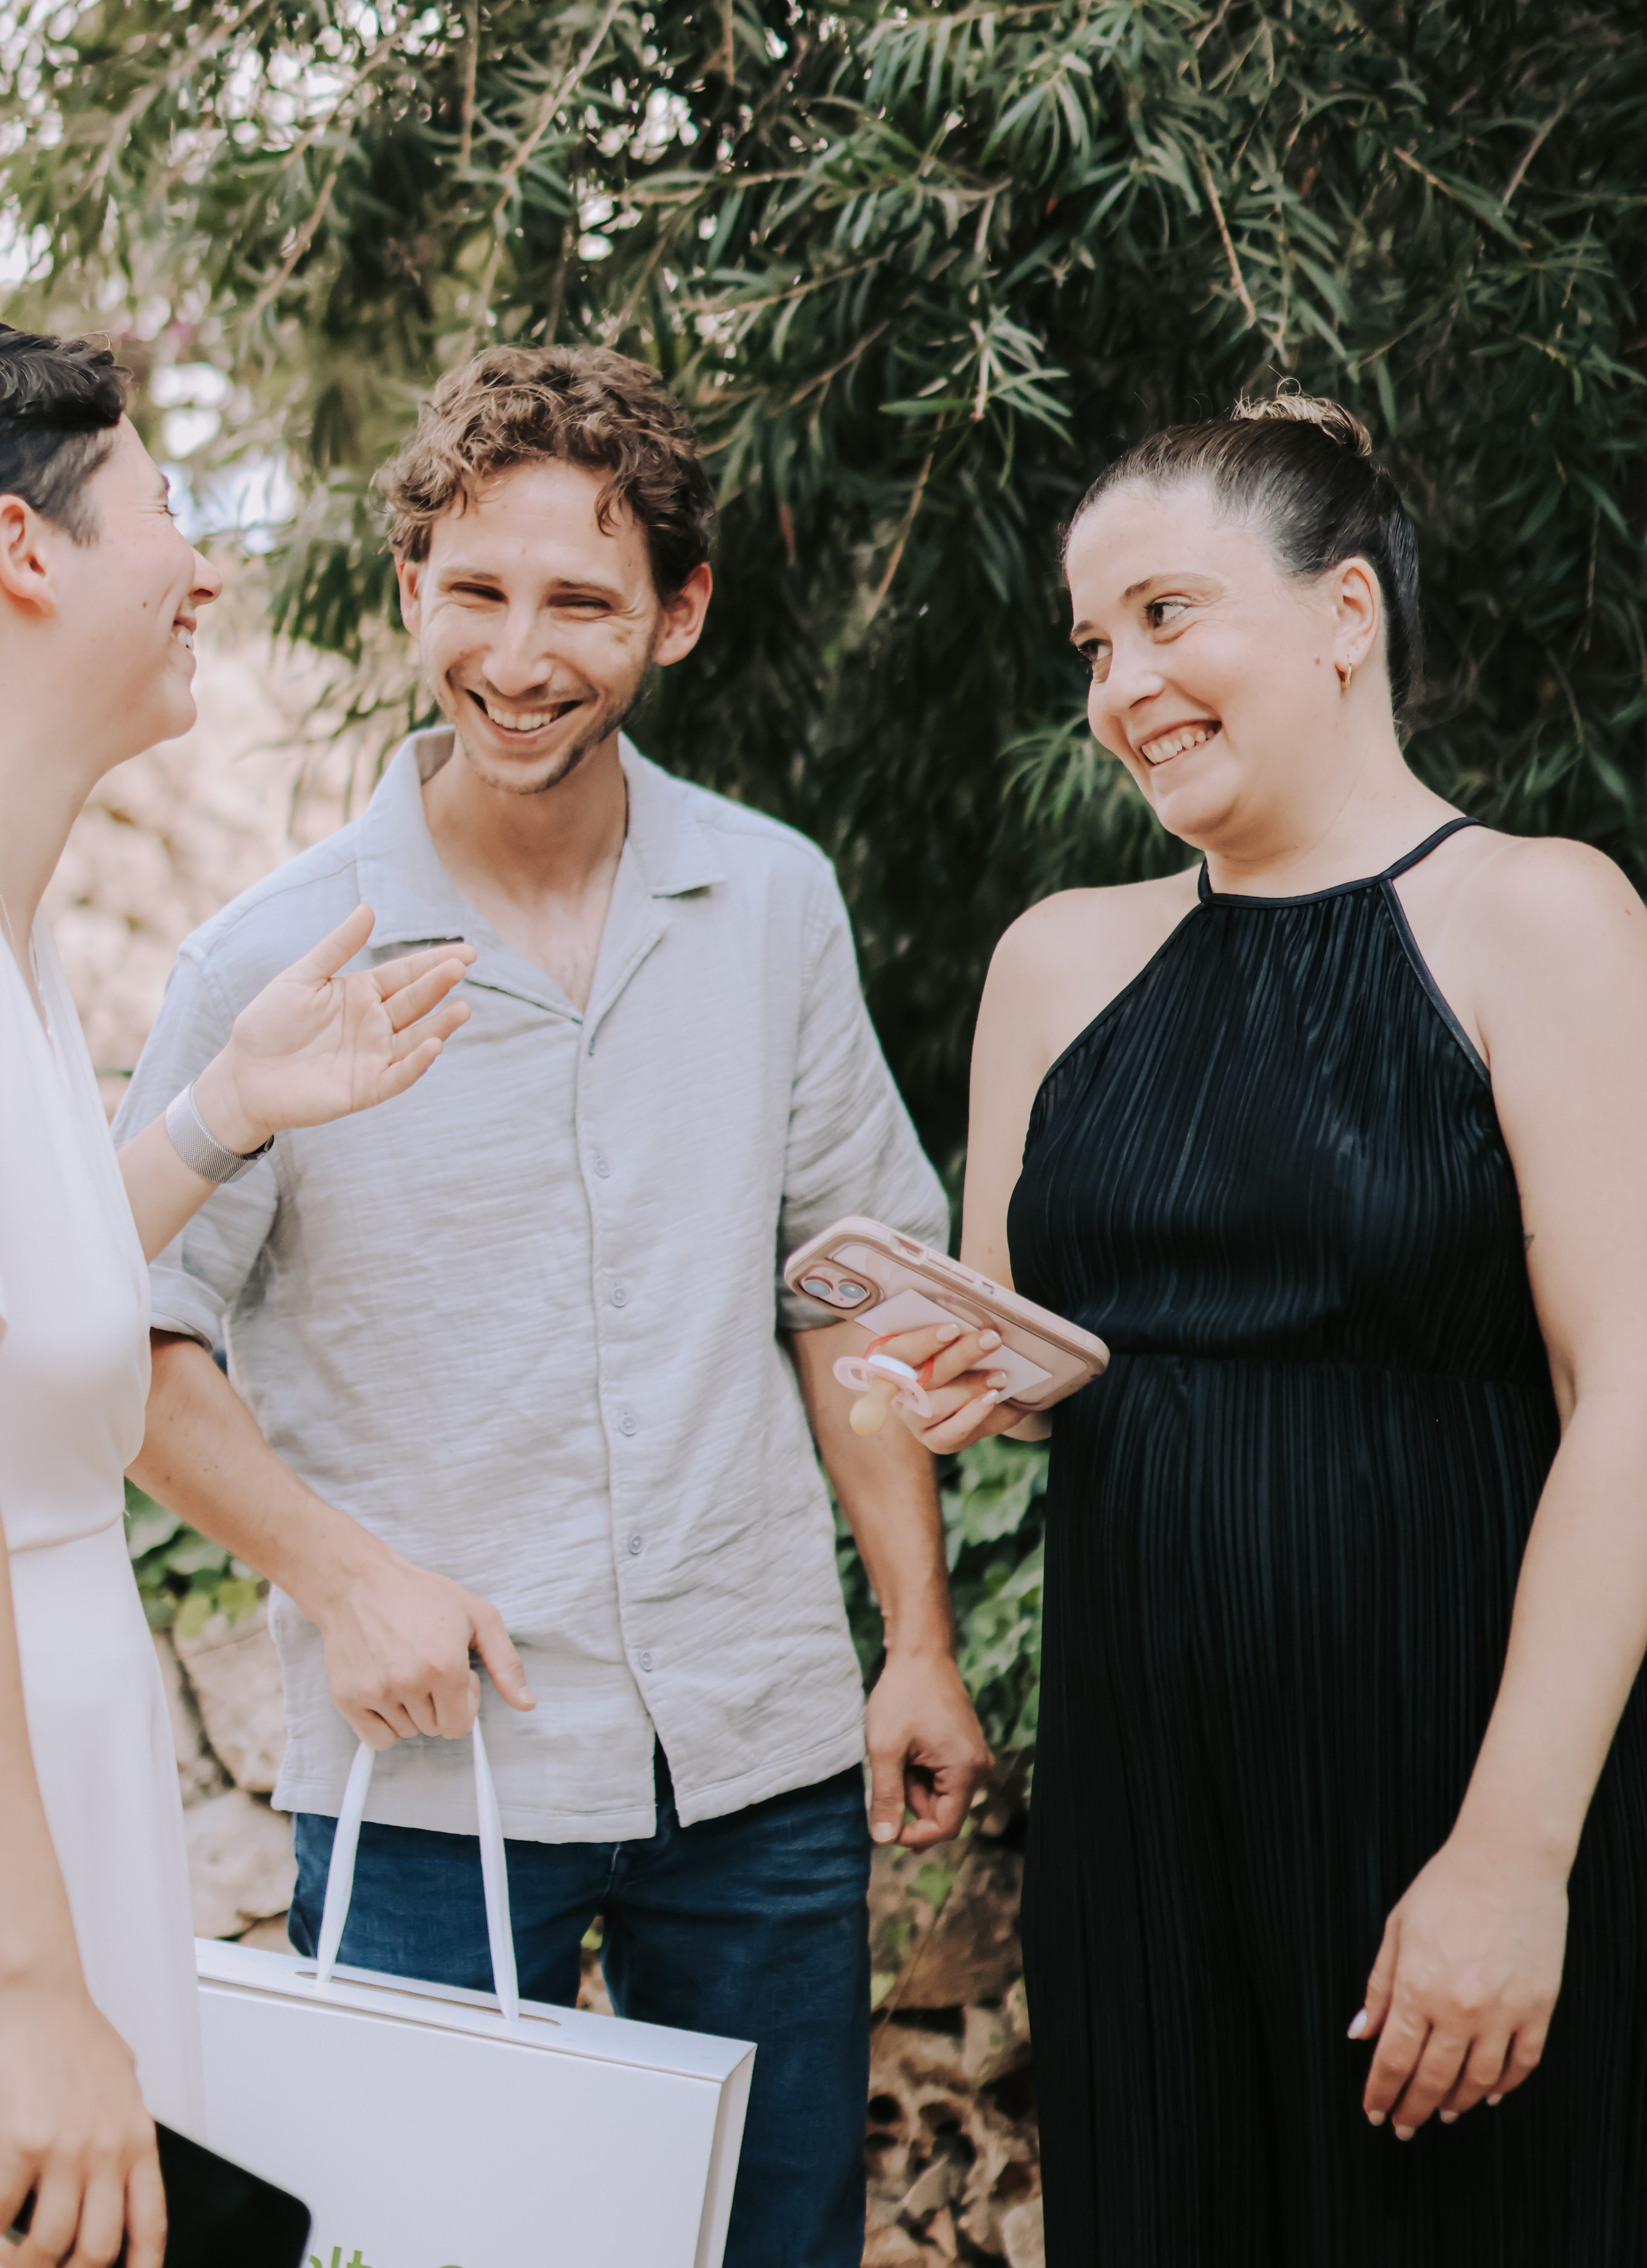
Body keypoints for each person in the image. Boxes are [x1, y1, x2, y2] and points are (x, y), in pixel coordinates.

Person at [116, 344, 991, 2268]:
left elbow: (847, 1301)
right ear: (410, 586)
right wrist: (342, 1578)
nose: (521, 653)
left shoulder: (772, 904)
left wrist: (915, 1632)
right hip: (435, 1778)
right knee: (420, 2249)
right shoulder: (270, 961)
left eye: (584, 601)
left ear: (676, 615)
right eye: (480, 591)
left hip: (756, 1760)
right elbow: (131, 1344)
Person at [872, 396, 1647, 2262]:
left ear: (1345, 614)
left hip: (1452, 1781)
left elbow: (1630, 1392)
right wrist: (975, 1380)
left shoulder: (1541, 915)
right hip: (1148, 1809)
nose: (1121, 682)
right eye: (1092, 643)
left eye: (1165, 613)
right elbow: (1049, 1356)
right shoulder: (1054, 959)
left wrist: (1516, 1852)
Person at [0, 325, 473, 2268]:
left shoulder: (18, 946)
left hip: (63, 1750)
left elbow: (27, 1330)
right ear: (23, 549)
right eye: (172, 511)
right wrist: (30, 1980)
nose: (208, 572)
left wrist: (213, 1115)